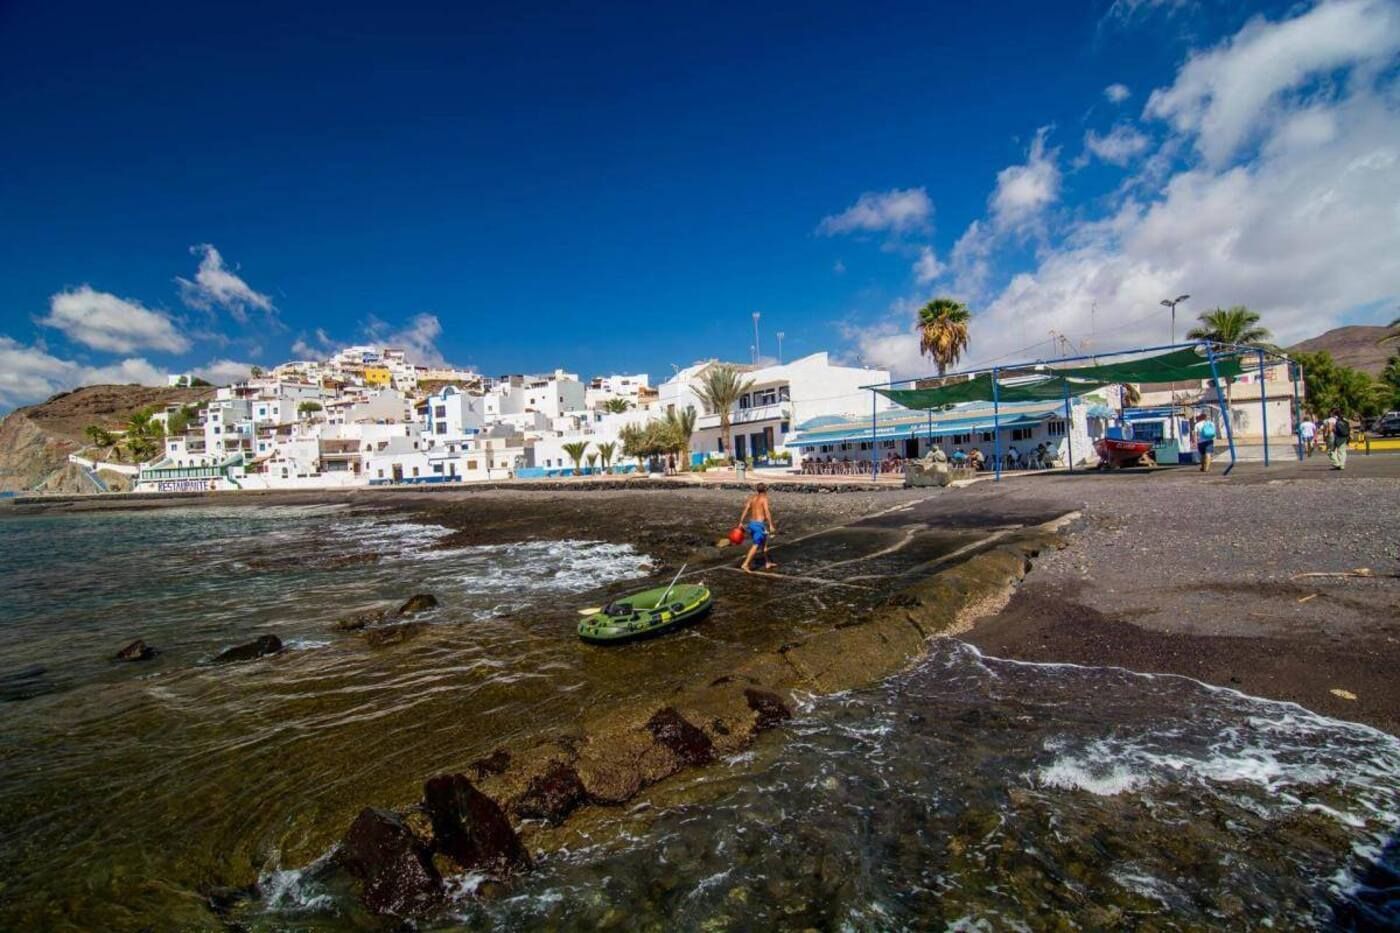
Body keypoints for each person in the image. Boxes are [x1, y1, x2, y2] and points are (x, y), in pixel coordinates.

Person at [738, 482, 777, 573]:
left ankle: (767, 562)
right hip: (759, 525)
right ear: (765, 490)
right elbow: (767, 512)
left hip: (752, 524)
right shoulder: (764, 499)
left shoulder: (752, 498)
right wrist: (771, 525)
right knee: (756, 545)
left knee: (763, 543)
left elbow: (746, 509)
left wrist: (740, 522)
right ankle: (745, 564)